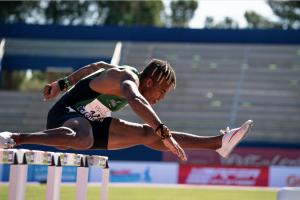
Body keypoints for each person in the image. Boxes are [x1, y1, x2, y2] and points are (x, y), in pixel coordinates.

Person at [0, 60, 253, 161]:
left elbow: (96, 66)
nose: (161, 98)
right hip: (66, 116)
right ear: (150, 82)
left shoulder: (119, 71)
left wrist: (63, 83)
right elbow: (135, 99)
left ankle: (219, 143)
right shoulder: (127, 78)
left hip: (91, 122)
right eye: (161, 92)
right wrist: (164, 131)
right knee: (86, 134)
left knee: (146, 135)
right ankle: (14, 138)